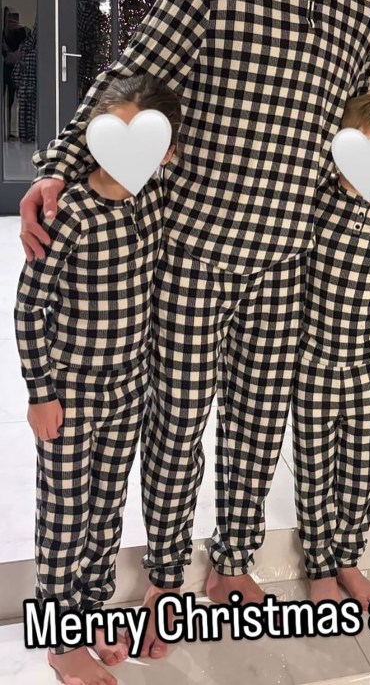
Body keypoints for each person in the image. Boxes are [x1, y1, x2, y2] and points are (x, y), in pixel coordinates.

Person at [18, 0, 370, 659]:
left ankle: (234, 565)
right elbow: (131, 76)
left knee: (255, 427)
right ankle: (165, 582)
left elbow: (354, 138)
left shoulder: (359, 15)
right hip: (190, 252)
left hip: (285, 259)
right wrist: (63, 166)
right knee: (177, 427)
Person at [16, 76, 179, 685]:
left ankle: (88, 614)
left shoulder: (156, 199)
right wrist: (40, 392)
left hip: (129, 387)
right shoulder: (71, 213)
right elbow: (29, 308)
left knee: (108, 507)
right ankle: (58, 639)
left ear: (167, 150)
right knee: (64, 512)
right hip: (71, 391)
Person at [294, 94, 370, 609]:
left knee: (357, 464)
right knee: (315, 465)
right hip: (314, 359)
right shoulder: (318, 201)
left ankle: (348, 557)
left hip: (367, 363)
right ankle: (319, 563)